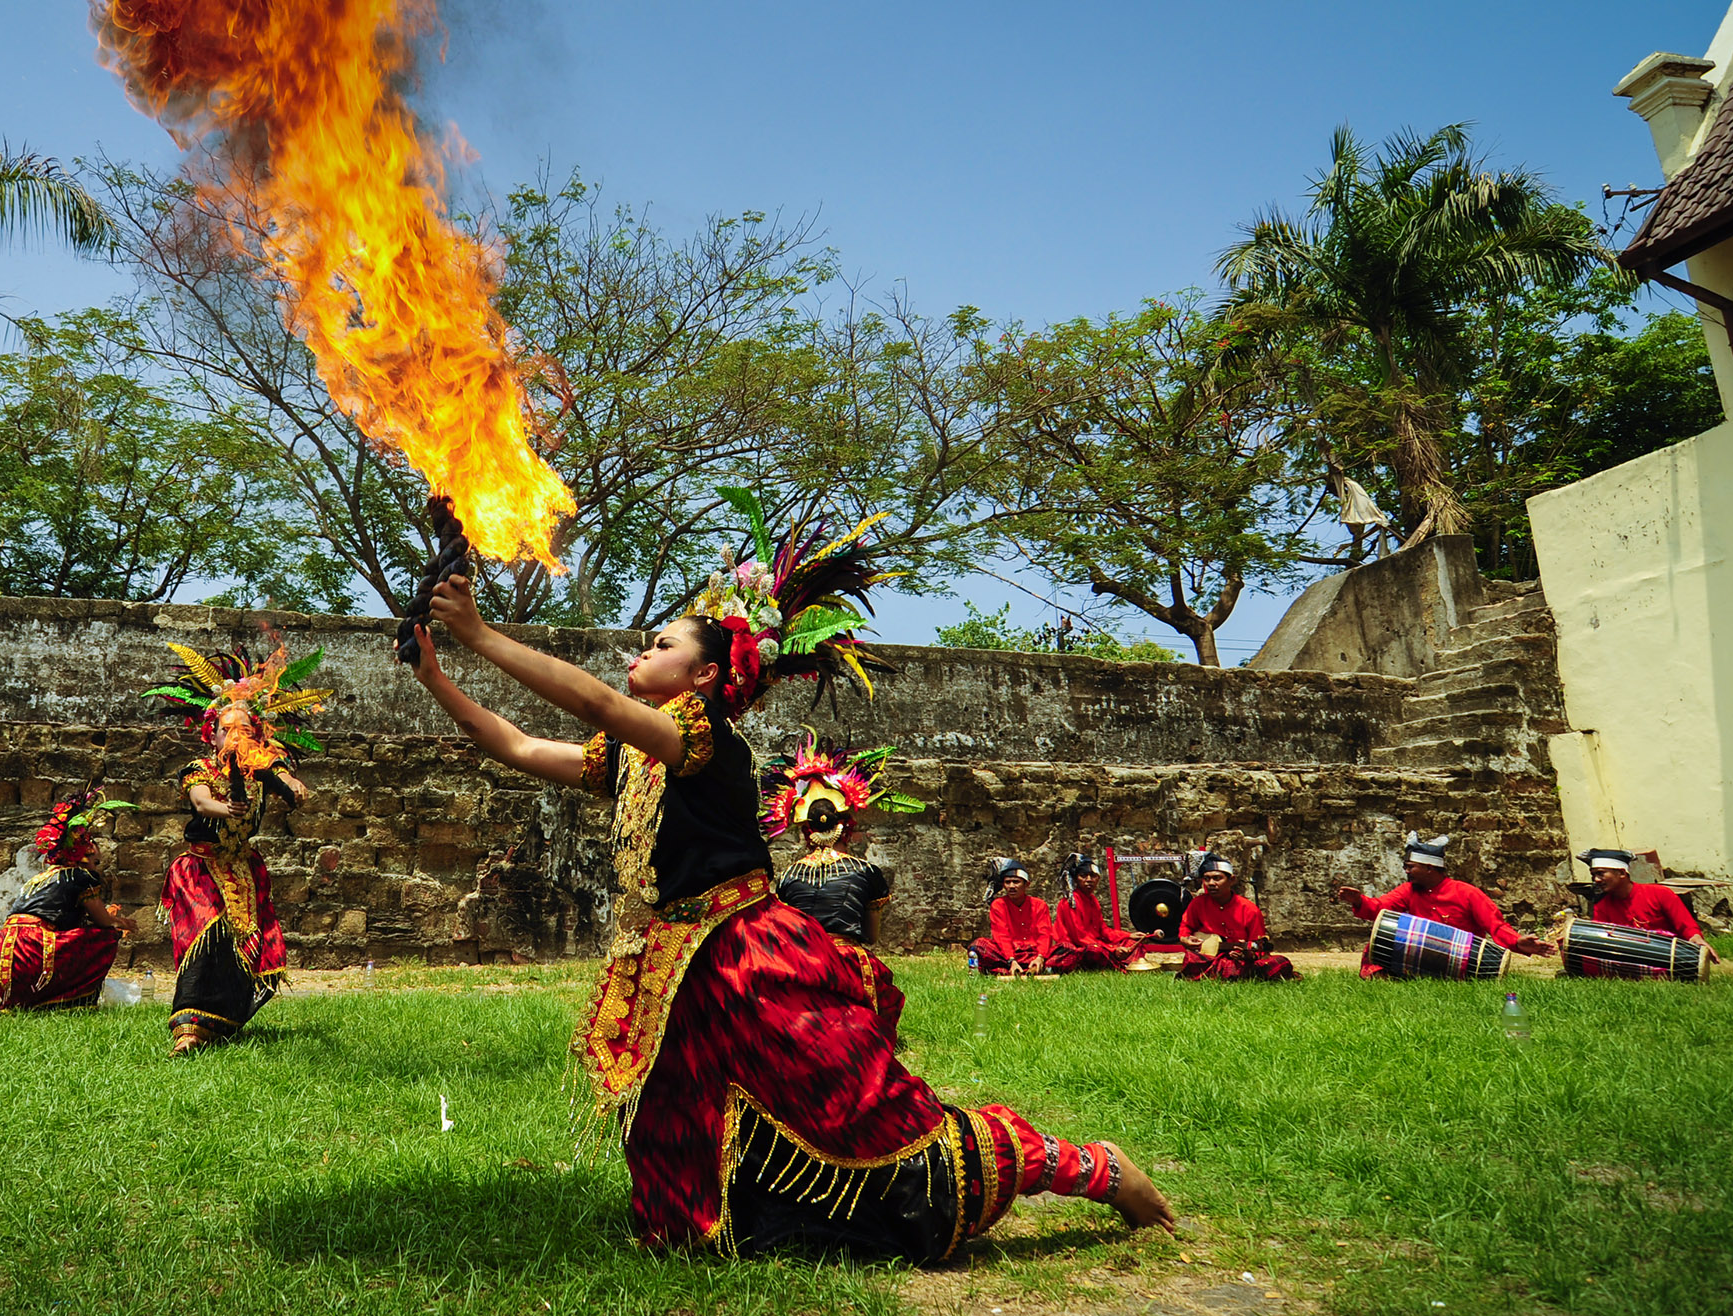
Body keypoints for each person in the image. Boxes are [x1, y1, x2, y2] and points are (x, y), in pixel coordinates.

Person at [408, 500, 1173, 1262]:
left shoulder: (701, 737)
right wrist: (440, 675)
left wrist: (480, 633)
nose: (642, 648)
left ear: (704, 675)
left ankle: (1088, 1167)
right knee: (671, 1116)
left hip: (748, 961)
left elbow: (595, 699)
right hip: (674, 971)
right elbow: (508, 742)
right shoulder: (630, 754)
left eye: (662, 642)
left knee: (860, 1115)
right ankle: (705, 1227)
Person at [144, 639, 328, 1057]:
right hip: (200, 869)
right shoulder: (200, 768)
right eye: (228, 728)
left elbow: (280, 776)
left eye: (245, 729)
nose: (236, 735)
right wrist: (223, 807)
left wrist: (294, 785)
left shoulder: (260, 767)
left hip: (243, 869)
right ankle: (187, 1030)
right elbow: (200, 800)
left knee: (245, 947)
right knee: (206, 938)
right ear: (213, 734)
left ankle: (221, 1022)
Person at [764, 731, 924, 1043]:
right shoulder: (865, 870)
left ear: (806, 829)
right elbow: (872, 936)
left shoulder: (787, 876)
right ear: (845, 825)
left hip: (801, 963)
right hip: (848, 962)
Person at [0, 788, 131, 1012]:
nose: (96, 868)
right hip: (32, 946)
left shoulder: (42, 877)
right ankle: (70, 1000)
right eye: (95, 862)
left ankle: (29, 1001)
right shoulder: (82, 876)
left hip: (3, 947)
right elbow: (103, 920)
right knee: (106, 936)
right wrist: (120, 922)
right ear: (82, 858)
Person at [1332, 832, 1554, 976]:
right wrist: (1359, 900)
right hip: (1421, 955)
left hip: (1458, 959)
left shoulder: (1467, 893)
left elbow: (1495, 925)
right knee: (1376, 946)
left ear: (1430, 867)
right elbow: (1381, 907)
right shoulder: (1408, 890)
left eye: (1411, 867)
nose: (1406, 871)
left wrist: (1517, 941)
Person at [1054, 852, 1188, 972]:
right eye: (1083, 876)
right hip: (1077, 949)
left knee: (1132, 944)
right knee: (1095, 950)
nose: (1089, 879)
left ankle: (1119, 961)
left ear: (1098, 879)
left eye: (1093, 876)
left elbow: (1104, 930)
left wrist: (1129, 936)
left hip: (1097, 944)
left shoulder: (1092, 900)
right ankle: (1119, 962)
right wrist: (1112, 949)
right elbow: (1080, 938)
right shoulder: (1070, 903)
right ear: (1076, 879)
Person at [1176, 853, 1298, 981]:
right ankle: (1231, 974)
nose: (1211, 883)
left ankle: (1225, 974)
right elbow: (1186, 927)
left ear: (1232, 880)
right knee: (1193, 959)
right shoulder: (1198, 903)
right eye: (1206, 879)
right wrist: (1184, 939)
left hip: (1241, 960)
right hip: (1210, 958)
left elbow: (1259, 951)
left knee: (1279, 962)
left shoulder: (1249, 909)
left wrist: (1246, 954)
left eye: (1217, 878)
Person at [971, 859, 1076, 975]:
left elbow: (1044, 934)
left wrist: (1040, 957)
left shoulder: (1039, 905)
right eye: (1008, 882)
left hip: (1035, 953)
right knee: (978, 946)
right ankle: (1032, 969)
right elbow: (1001, 935)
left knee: (1068, 948)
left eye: (1016, 882)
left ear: (1027, 884)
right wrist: (1011, 960)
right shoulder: (998, 905)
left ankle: (1030, 968)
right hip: (1008, 955)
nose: (1011, 886)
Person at [1581, 849, 1704, 939]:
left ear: (1622, 873)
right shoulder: (1602, 905)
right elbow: (1601, 939)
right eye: (1593, 875)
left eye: (1601, 873)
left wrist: (1696, 938)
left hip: (1667, 954)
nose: (1596, 880)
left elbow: (1687, 926)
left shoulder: (1660, 893)